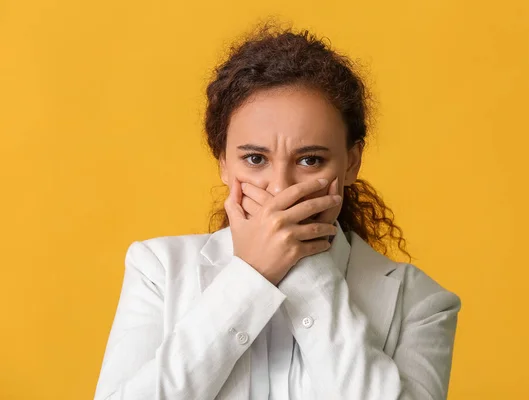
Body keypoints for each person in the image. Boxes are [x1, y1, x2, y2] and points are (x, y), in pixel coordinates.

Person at [94, 25, 461, 400]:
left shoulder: (420, 302)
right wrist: (250, 277)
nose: (281, 188)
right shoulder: (158, 270)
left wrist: (307, 271)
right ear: (223, 163)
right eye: (255, 159)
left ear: (351, 163)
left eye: (310, 160)